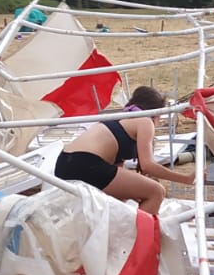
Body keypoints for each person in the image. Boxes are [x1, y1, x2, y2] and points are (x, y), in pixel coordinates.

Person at [54, 85, 195, 215]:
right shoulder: (145, 121)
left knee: (122, 199)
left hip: (64, 163)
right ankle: (139, 240)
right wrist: (186, 179)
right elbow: (148, 166)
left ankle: (116, 235)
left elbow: (118, 174)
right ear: (156, 112)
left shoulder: (121, 119)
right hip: (86, 163)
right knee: (156, 192)